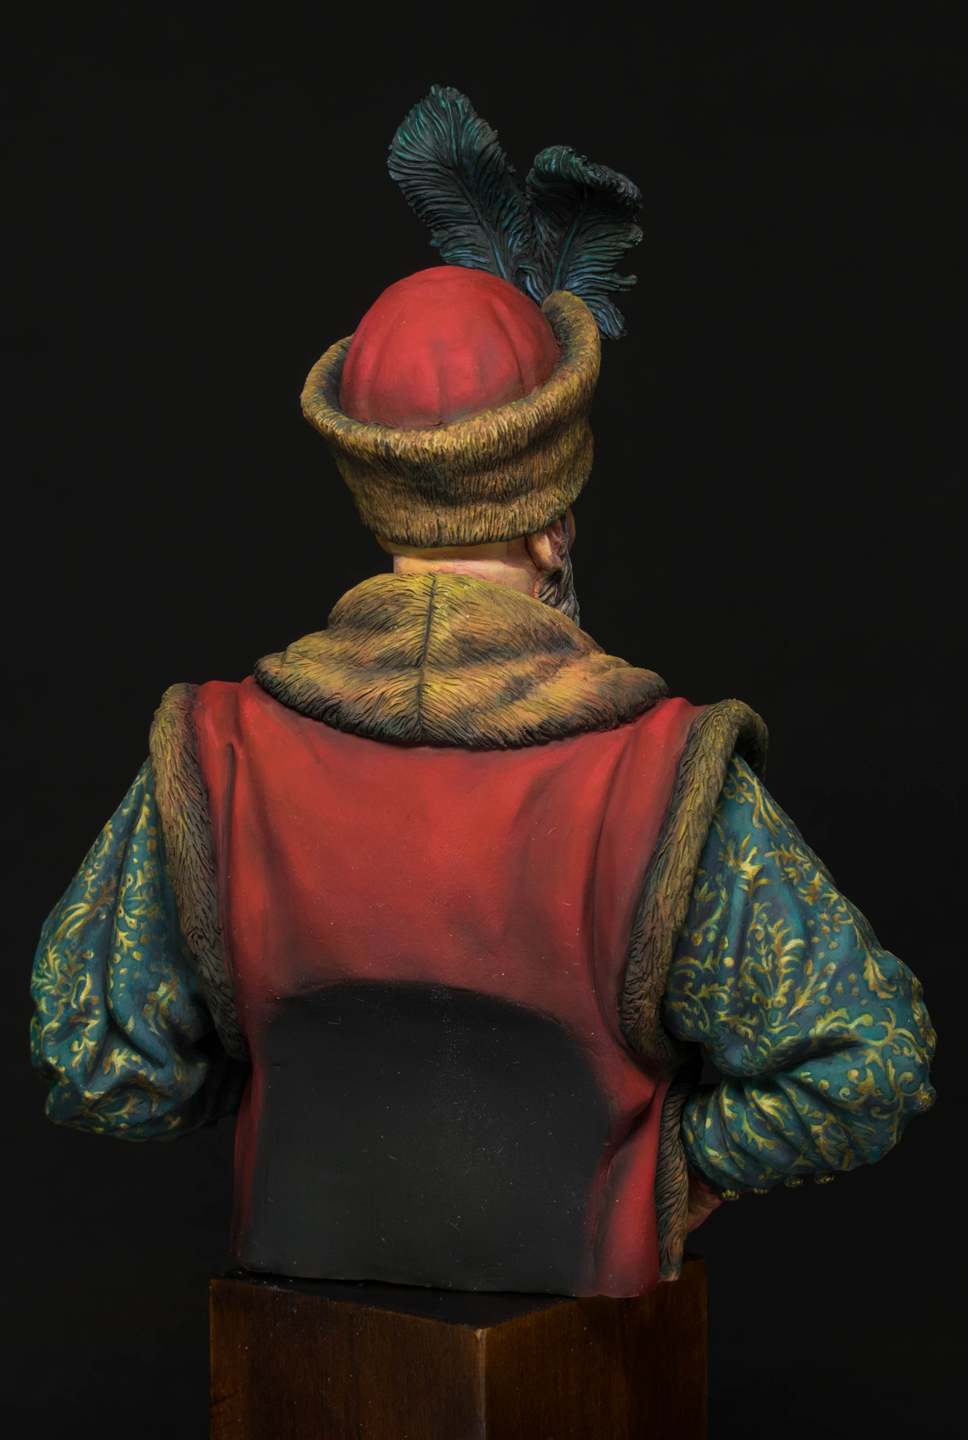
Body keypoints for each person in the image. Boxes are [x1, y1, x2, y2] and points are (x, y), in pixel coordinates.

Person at [30, 88, 935, 1299]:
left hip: (299, 1315)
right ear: (553, 526)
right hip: (578, 1325)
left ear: (377, 504)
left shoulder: (212, 754)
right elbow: (862, 1067)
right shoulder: (665, 779)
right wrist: (659, 1178)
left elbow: (101, 1066)